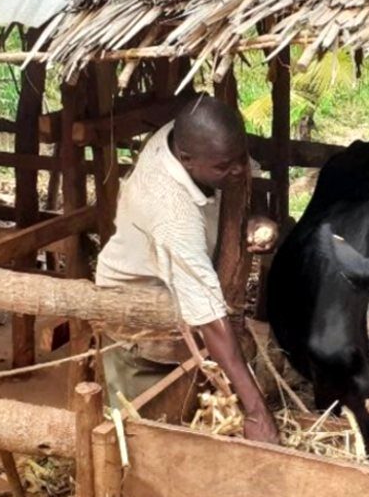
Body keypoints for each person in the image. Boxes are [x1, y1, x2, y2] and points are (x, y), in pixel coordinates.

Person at [95, 96, 279, 443]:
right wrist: (256, 412)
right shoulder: (170, 210)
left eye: (240, 157)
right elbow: (209, 316)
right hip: (140, 320)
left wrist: (253, 216)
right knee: (145, 440)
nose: (239, 170)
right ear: (186, 160)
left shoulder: (198, 142)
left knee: (196, 418)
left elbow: (243, 175)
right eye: (225, 166)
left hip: (187, 296)